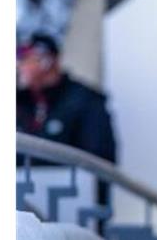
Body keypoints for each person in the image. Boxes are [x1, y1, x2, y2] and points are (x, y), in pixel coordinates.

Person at [17, 32, 117, 163]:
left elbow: (100, 159)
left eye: (25, 59)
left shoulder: (85, 101)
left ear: (46, 61)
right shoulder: (21, 100)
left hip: (69, 181)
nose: (19, 66)